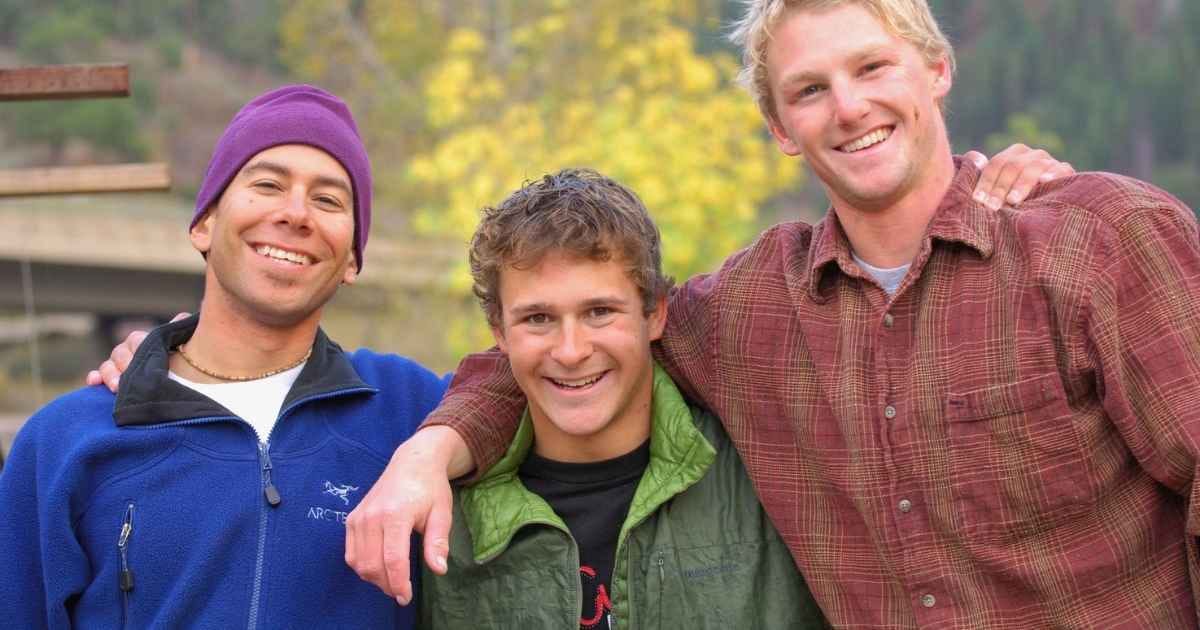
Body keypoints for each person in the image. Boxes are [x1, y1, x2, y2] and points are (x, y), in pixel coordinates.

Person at [347, 1, 1200, 627]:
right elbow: (572, 339)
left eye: (872, 68)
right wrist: (429, 450)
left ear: (936, 70)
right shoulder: (758, 308)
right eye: (810, 89)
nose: (850, 108)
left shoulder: (1101, 237)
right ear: (780, 127)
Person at [0, 85, 448, 629]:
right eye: (266, 185)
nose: (295, 213)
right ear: (203, 224)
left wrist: (433, 448)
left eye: (328, 199)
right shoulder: (66, 440)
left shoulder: (408, 406)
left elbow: (537, 375)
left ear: (354, 258)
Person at [419, 168, 828, 628]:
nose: (571, 351)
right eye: (537, 318)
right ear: (500, 333)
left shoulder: (765, 473)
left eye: (600, 312)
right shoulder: (444, 521)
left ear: (654, 315)